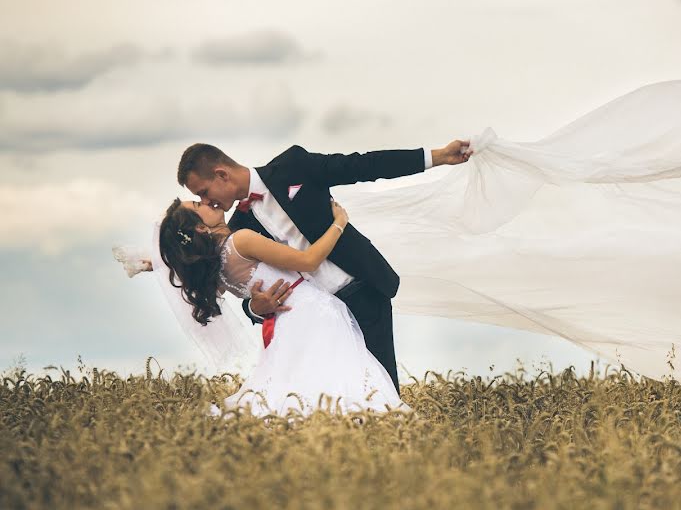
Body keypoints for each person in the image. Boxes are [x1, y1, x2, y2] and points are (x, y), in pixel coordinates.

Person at [177, 139, 472, 393]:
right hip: (317, 319)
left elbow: (363, 166)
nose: (205, 201)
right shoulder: (239, 230)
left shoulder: (293, 165)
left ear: (221, 174)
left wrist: (437, 156)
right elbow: (244, 287)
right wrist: (257, 308)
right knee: (334, 400)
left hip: (364, 291)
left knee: (383, 394)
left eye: (203, 192)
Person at [158, 196, 401, 416]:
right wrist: (339, 223)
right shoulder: (241, 241)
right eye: (198, 206)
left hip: (289, 323)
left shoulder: (215, 269)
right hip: (313, 313)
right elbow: (309, 261)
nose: (206, 201)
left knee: (309, 388)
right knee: (347, 383)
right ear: (200, 227)